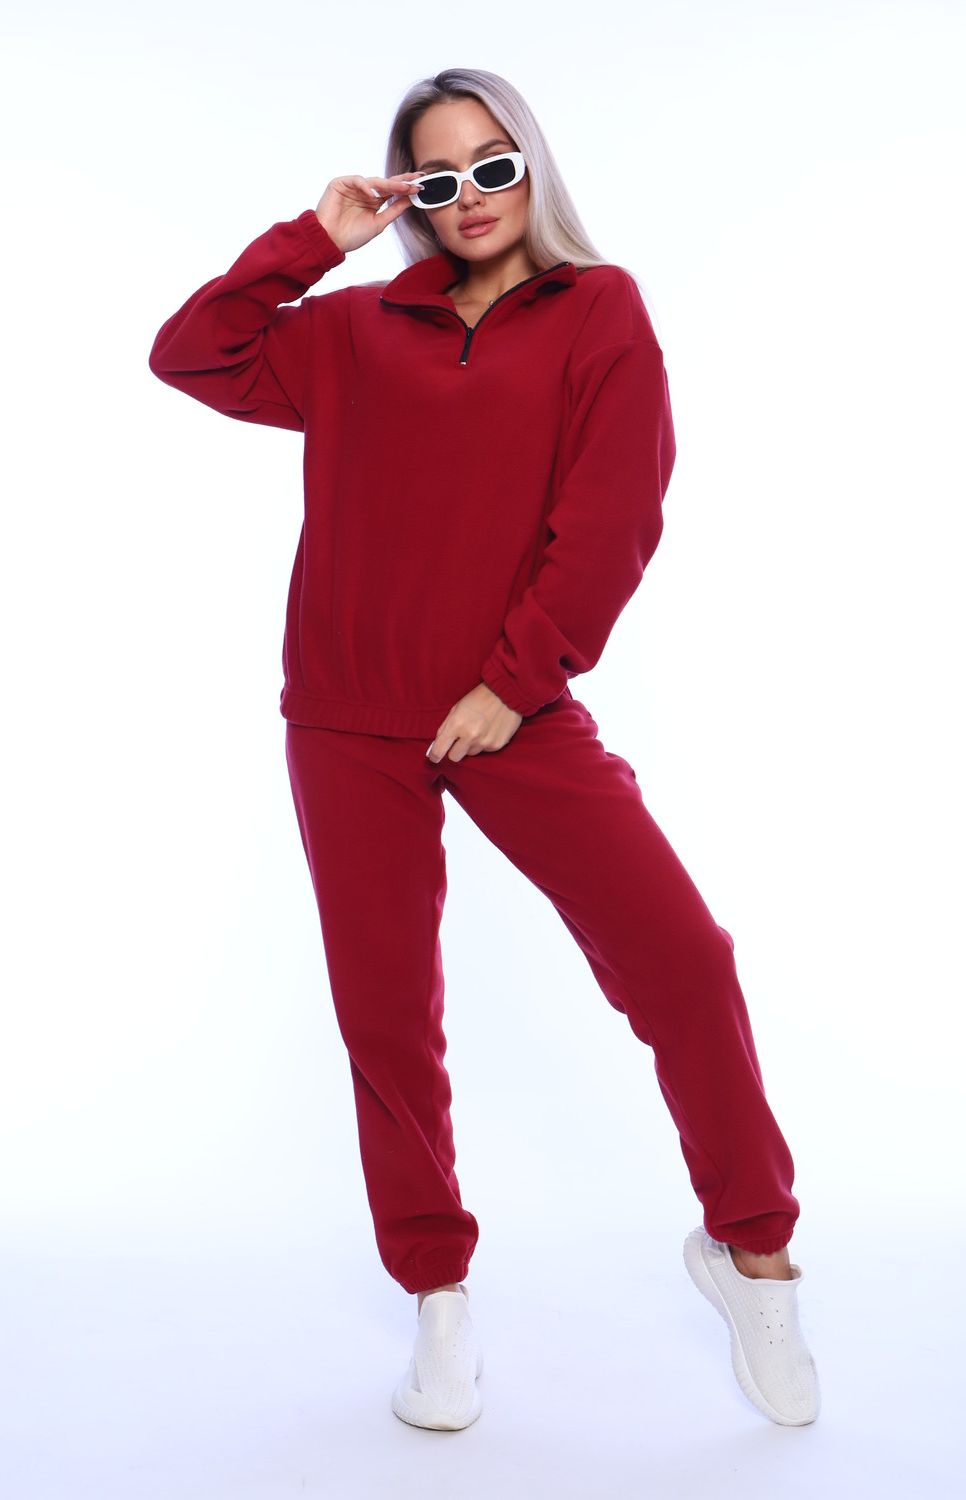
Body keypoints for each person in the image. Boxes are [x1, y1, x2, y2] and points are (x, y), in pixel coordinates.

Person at [149, 67, 820, 1433]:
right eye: (439, 177)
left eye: (494, 166)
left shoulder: (600, 311)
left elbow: (616, 515)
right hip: (348, 718)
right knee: (388, 1017)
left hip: (511, 712)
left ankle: (753, 1251)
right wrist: (315, 240)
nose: (471, 198)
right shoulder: (352, 331)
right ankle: (437, 1301)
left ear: (534, 166)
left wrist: (514, 684)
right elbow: (192, 354)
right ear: (411, 195)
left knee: (683, 960)